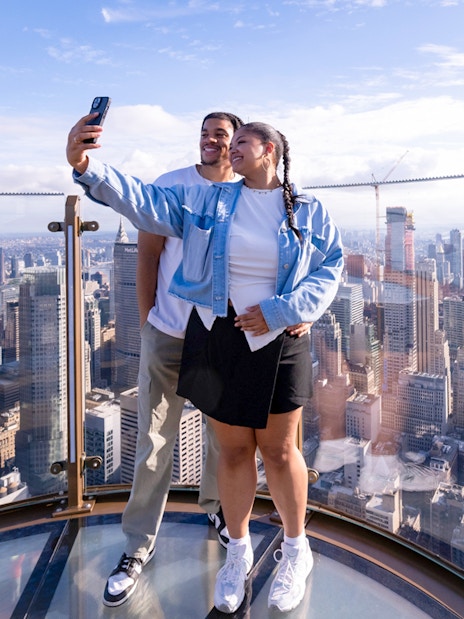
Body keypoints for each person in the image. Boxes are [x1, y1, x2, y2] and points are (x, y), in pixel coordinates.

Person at [66, 117, 344, 614]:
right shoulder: (211, 202)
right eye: (228, 141)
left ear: (271, 151)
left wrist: (288, 310)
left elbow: (331, 266)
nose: (230, 150)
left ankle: (295, 550)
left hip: (279, 341)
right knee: (233, 454)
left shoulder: (308, 207)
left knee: (279, 453)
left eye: (242, 142)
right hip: (220, 339)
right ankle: (237, 554)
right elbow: (149, 203)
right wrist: (88, 167)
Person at [103, 111, 244, 608]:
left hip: (216, 337)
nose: (209, 141)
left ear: (238, 143)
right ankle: (138, 545)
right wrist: (147, 323)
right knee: (154, 440)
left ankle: (218, 512)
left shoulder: (245, 194)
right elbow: (147, 256)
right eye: (205, 133)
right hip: (166, 332)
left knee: (219, 434)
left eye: (220, 135)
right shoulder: (171, 185)